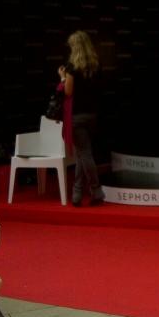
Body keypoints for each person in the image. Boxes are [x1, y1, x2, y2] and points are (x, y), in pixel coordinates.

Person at [58, 31, 104, 206]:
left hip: (77, 116)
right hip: (93, 115)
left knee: (84, 154)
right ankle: (76, 194)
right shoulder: (96, 65)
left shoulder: (72, 67)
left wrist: (62, 78)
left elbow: (68, 91)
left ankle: (96, 190)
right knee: (83, 155)